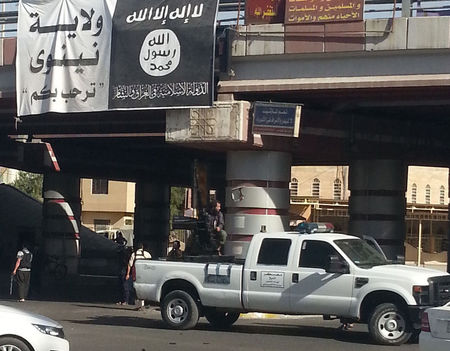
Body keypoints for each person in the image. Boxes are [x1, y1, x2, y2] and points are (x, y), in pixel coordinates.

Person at [125, 242, 151, 310]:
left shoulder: (134, 254)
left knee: (136, 289)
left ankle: (138, 305)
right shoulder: (147, 254)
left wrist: (127, 274)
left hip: (136, 274)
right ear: (142, 247)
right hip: (146, 274)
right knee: (145, 288)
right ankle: (145, 303)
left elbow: (129, 265)